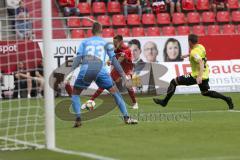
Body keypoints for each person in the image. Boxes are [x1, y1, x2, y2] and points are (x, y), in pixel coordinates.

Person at [69, 22, 138, 127]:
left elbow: (78, 59)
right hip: (101, 71)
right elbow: (114, 61)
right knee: (116, 93)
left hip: (86, 70)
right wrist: (123, 76)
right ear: (102, 31)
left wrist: (70, 72)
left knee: (75, 93)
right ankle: (126, 118)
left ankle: (78, 118)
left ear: (91, 31)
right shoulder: (106, 43)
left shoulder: (85, 42)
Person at [153, 34, 234, 110]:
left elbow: (200, 62)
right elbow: (198, 55)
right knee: (205, 92)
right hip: (205, 74)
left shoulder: (193, 52)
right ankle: (227, 99)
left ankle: (164, 102)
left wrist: (199, 76)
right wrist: (188, 55)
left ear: (190, 42)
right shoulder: (200, 46)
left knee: (173, 82)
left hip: (196, 76)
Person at [85, 35, 139, 109]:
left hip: (127, 70)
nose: (114, 43)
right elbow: (113, 57)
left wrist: (112, 62)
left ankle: (135, 103)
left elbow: (121, 59)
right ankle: (91, 100)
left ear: (121, 41)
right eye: (113, 42)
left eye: (115, 42)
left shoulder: (126, 49)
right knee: (105, 83)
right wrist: (110, 61)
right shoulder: (116, 49)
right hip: (118, 69)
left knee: (128, 86)